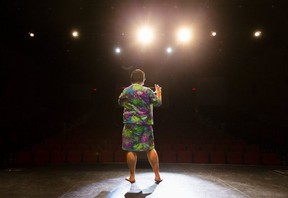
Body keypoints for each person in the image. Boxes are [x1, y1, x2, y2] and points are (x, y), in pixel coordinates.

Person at [118, 69, 163, 184]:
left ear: (131, 79)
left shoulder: (126, 91)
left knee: (130, 150)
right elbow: (158, 103)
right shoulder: (148, 91)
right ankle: (157, 176)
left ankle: (132, 176)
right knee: (150, 148)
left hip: (130, 125)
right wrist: (158, 92)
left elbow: (120, 102)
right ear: (143, 79)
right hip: (145, 125)